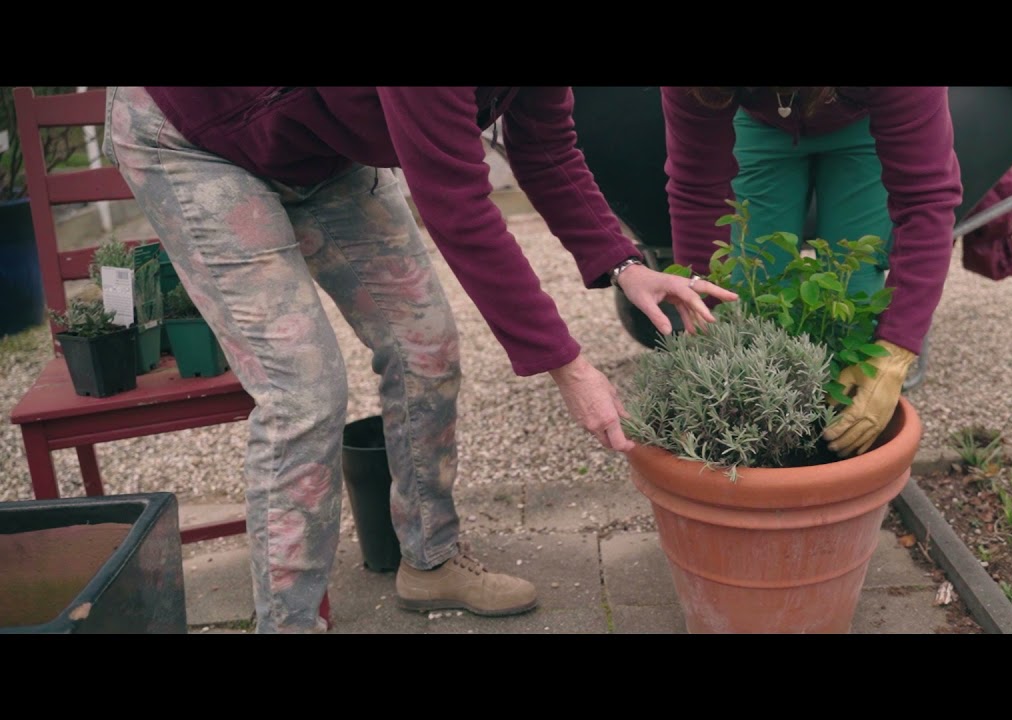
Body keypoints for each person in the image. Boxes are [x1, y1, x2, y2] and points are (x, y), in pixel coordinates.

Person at [103, 86, 737, 633]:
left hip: (319, 147)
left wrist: (624, 264)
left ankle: (429, 559)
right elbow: (457, 204)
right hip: (193, 139)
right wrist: (567, 365)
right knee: (304, 391)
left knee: (425, 346)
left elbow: (546, 148)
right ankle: (290, 621)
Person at [661, 86, 963, 458]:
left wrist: (896, 350)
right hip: (760, 128)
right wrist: (703, 316)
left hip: (862, 123)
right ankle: (763, 454)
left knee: (853, 301)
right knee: (746, 297)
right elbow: (696, 188)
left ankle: (840, 454)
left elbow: (926, 198)